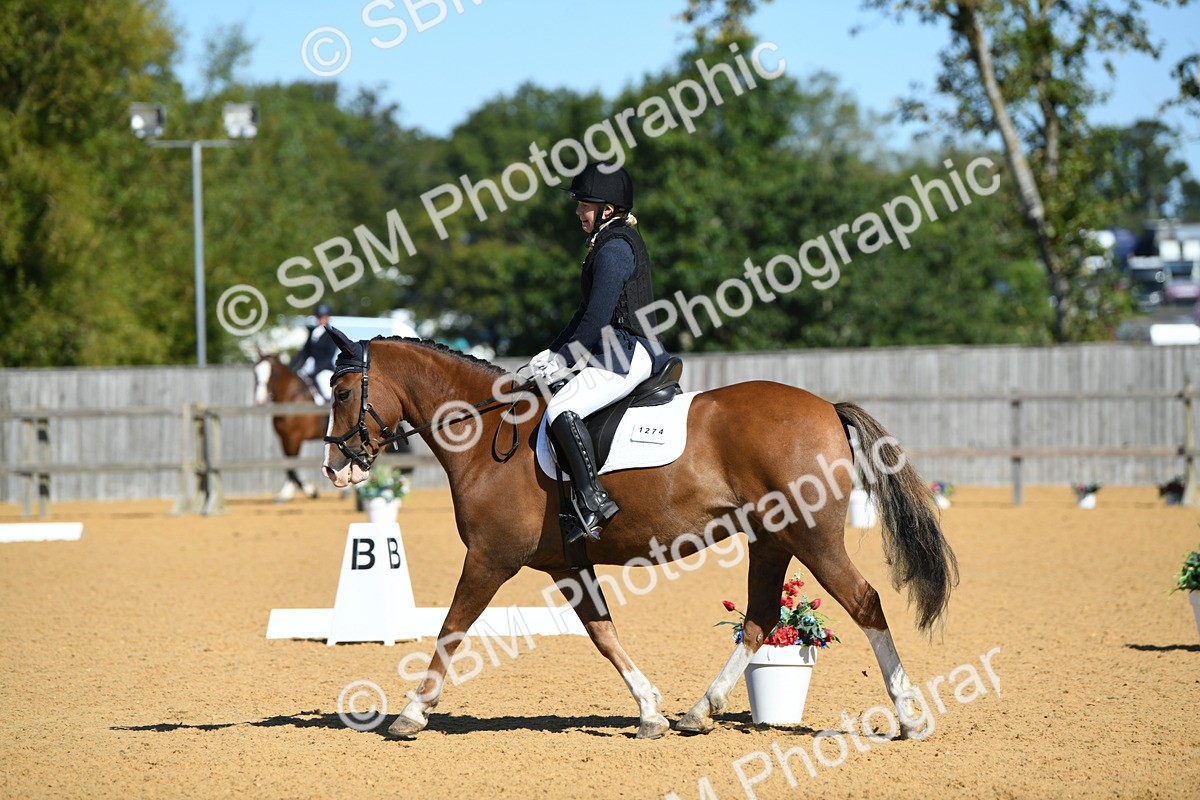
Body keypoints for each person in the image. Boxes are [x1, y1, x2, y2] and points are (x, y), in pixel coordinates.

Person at [529, 162, 672, 544]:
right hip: (614, 349)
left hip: (626, 351)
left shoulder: (615, 248)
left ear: (607, 208)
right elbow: (582, 314)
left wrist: (564, 359)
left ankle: (593, 502)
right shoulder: (607, 243)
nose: (578, 210)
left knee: (561, 410)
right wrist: (551, 351)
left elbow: (597, 316)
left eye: (584, 204)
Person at [290, 302, 338, 403]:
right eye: (319, 317)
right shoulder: (313, 332)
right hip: (308, 367)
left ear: (328, 318)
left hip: (324, 369)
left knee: (327, 391)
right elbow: (304, 352)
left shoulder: (331, 334)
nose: (321, 319)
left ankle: (329, 414)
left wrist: (316, 369)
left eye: (323, 317)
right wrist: (291, 367)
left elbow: (329, 356)